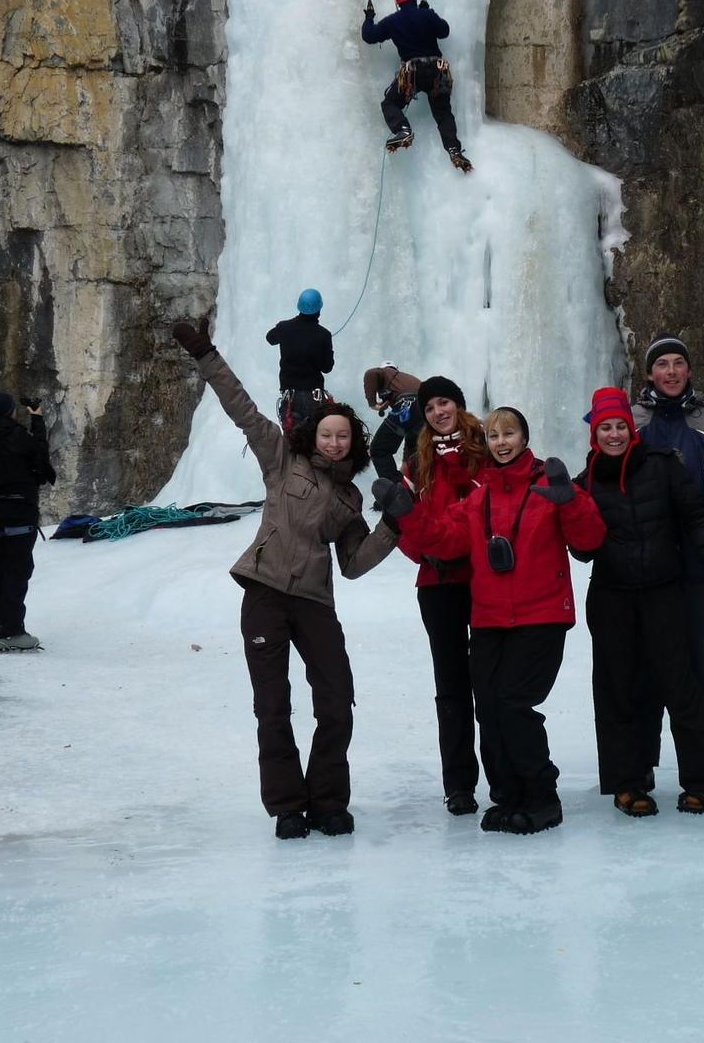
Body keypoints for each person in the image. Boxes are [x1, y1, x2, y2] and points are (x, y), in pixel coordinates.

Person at [173, 317, 399, 841]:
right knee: (272, 706)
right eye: (328, 433)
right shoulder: (281, 459)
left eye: (344, 435)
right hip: (266, 593)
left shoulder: (349, 498)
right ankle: (288, 806)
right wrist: (206, 354)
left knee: (337, 700)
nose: (336, 442)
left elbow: (354, 562)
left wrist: (394, 525)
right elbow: (242, 408)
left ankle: (328, 801)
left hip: (316, 601)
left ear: (354, 442)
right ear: (313, 433)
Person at [374, 407, 606, 835]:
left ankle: (541, 796)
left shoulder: (549, 485)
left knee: (514, 704)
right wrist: (408, 513)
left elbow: (589, 538)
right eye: (494, 434)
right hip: (489, 618)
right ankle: (507, 795)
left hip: (540, 614)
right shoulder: (478, 498)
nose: (501, 442)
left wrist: (570, 499)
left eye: (509, 433)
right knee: (490, 710)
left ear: (524, 437)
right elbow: (444, 539)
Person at [573, 387, 704, 817]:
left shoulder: (663, 465)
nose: (613, 435)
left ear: (632, 427)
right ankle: (629, 781)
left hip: (665, 590)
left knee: (683, 686)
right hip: (612, 597)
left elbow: (697, 515)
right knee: (619, 690)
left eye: (620, 426)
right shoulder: (584, 480)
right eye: (605, 427)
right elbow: (581, 549)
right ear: (595, 433)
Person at [631, 332, 704, 783]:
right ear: (649, 373)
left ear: (689, 370)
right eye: (663, 365)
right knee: (645, 672)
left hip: (697, 563)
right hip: (645, 566)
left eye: (679, 363)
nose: (672, 372)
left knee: (701, 670)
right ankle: (639, 769)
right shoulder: (632, 421)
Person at [393, 376, 487, 815]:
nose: (437, 413)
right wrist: (428, 551)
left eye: (443, 403)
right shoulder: (416, 462)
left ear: (458, 404)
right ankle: (460, 785)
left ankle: (505, 775)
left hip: (484, 580)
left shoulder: (485, 449)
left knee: (490, 685)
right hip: (437, 585)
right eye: (429, 408)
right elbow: (406, 528)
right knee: (451, 689)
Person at [0, 390, 56, 652]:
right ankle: (12, 632)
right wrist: (37, 421)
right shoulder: (17, 437)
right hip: (20, 512)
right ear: (10, 411)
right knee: (17, 572)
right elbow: (41, 461)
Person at [361, 0, 473, 172]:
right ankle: (454, 149)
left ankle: (403, 129)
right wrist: (429, 13)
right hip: (437, 71)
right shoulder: (426, 15)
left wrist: (369, 17)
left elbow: (369, 36)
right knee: (443, 113)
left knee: (390, 103)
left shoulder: (393, 21)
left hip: (412, 73)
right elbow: (444, 31)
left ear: (398, 3)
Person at [266, 288, 334, 432]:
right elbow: (327, 367)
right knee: (315, 439)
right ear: (319, 310)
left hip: (290, 396)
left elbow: (270, 338)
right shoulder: (324, 335)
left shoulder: (284, 327)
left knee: (293, 441)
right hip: (313, 397)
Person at [363, 361, 424, 483]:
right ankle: (416, 486)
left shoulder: (387, 373)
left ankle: (396, 490)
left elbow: (371, 374)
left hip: (407, 406)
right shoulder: (409, 380)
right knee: (413, 458)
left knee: (378, 450)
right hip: (423, 415)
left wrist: (373, 404)